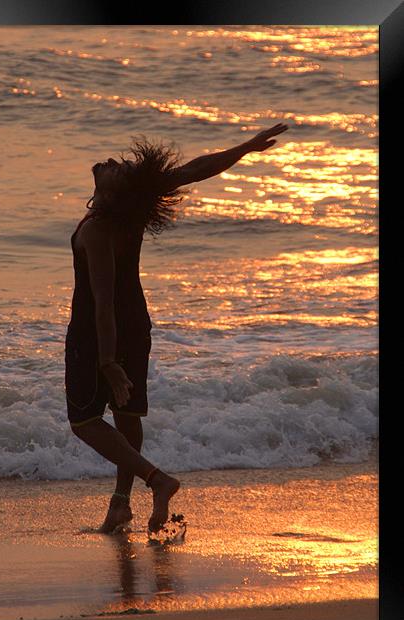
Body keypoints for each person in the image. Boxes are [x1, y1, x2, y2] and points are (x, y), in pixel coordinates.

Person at [65, 124, 289, 534]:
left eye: (121, 168)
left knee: (84, 421)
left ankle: (157, 480)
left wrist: (107, 360)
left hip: (100, 330)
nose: (114, 161)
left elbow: (102, 302)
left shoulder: (99, 229)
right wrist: (245, 147)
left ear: (114, 192)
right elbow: (195, 169)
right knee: (126, 412)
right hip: (137, 322)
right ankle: (119, 504)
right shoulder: (131, 207)